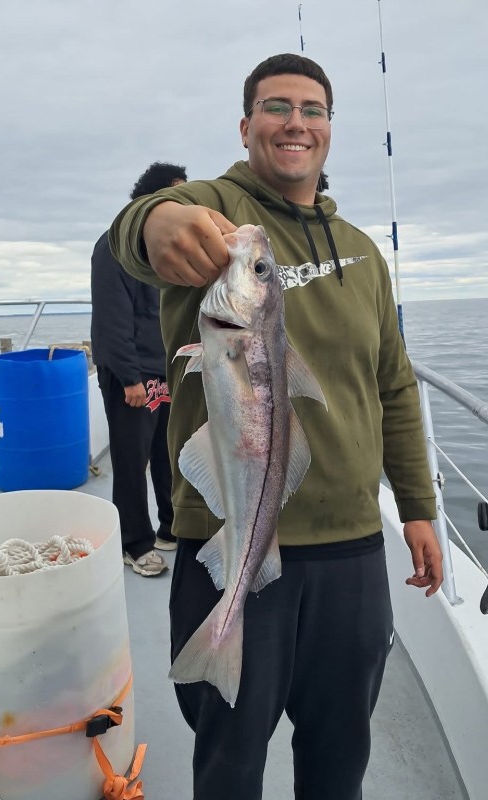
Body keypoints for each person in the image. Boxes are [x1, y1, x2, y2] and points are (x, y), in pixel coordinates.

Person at [110, 54, 443, 798]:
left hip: (352, 547)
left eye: (313, 110)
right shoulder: (221, 214)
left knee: (339, 756)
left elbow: (393, 383)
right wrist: (160, 219)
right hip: (232, 536)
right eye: (277, 106)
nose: (296, 122)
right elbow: (136, 229)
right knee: (230, 761)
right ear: (247, 124)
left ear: (329, 129)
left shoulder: (363, 250)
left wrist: (417, 507)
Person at [91, 161, 187, 577]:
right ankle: (135, 543)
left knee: (169, 454)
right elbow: (112, 319)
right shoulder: (115, 245)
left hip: (163, 372)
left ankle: (169, 527)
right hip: (132, 377)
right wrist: (130, 378)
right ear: (154, 197)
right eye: (177, 195)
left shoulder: (163, 249)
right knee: (131, 461)